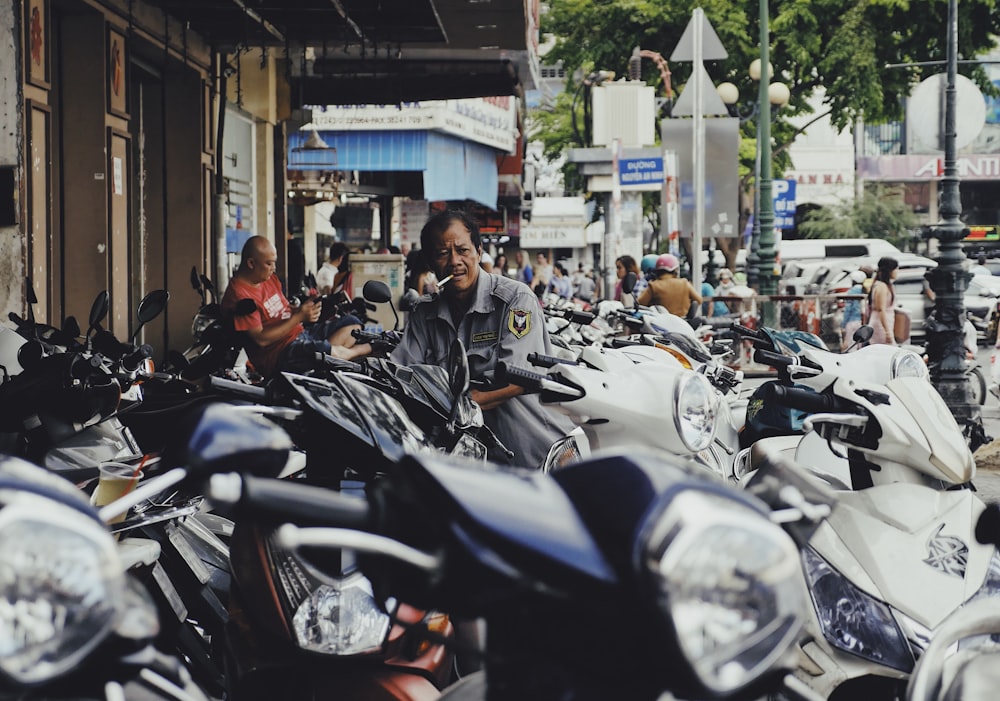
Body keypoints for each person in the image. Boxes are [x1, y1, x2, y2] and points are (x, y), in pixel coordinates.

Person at [390, 209, 573, 468]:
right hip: (462, 460)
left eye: (462, 250)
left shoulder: (515, 300)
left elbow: (516, 380)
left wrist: (457, 409)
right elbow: (402, 374)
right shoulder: (424, 313)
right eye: (443, 253)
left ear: (478, 250)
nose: (454, 261)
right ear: (431, 263)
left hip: (530, 455)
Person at [221, 236, 362, 378]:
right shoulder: (240, 296)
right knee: (323, 349)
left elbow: (285, 310)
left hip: (300, 333)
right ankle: (353, 353)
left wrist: (307, 309)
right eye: (269, 264)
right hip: (278, 354)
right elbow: (261, 339)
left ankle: (330, 359)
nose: (274, 269)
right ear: (251, 263)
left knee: (352, 324)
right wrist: (299, 316)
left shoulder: (268, 279)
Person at [637, 253, 702, 317]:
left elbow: (640, 303)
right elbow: (699, 300)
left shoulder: (654, 286)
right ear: (675, 270)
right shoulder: (684, 283)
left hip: (661, 323)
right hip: (683, 323)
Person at [868, 256, 899, 345]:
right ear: (889, 270)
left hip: (883, 323)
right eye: (896, 268)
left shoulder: (883, 285)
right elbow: (881, 309)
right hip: (880, 325)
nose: (897, 271)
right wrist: (887, 331)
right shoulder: (882, 286)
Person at [841, 270, 867, 351]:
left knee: (850, 347)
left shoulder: (851, 292)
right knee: (860, 348)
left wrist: (843, 324)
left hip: (851, 322)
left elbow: (848, 309)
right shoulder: (865, 290)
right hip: (862, 322)